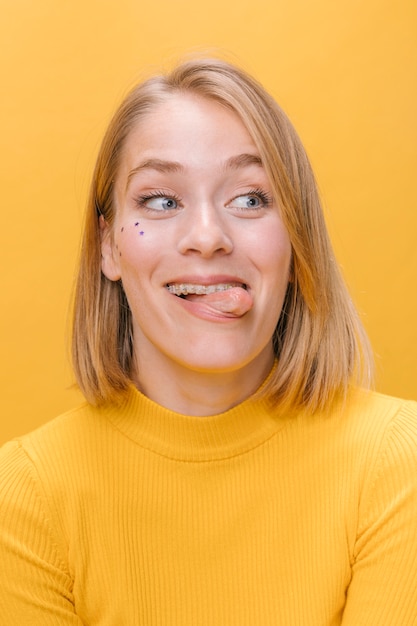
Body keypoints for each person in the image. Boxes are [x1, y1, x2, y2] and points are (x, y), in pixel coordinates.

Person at [0, 57, 416, 625]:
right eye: (162, 201)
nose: (208, 238)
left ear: (296, 239)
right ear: (109, 247)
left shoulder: (399, 464)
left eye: (249, 199)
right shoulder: (23, 495)